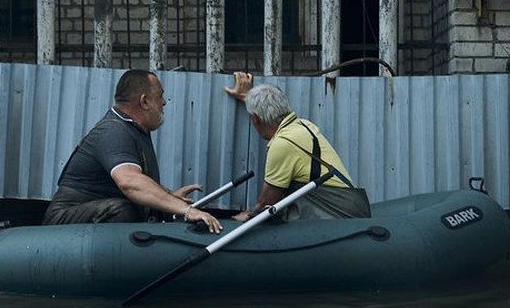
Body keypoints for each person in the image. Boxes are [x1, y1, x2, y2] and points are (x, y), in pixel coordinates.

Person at [43, 69, 223, 233]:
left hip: (91, 215)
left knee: (149, 207)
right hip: (62, 223)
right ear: (144, 101)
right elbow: (129, 181)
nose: (164, 103)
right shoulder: (113, 131)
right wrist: (187, 211)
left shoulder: (134, 129)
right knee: (122, 210)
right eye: (160, 96)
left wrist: (169, 196)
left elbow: (138, 180)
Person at [224, 72, 370, 221]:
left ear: (254, 119)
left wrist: (248, 216)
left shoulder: (282, 144)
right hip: (353, 205)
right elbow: (267, 111)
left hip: (337, 214)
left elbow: (267, 203)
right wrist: (247, 97)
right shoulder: (303, 125)